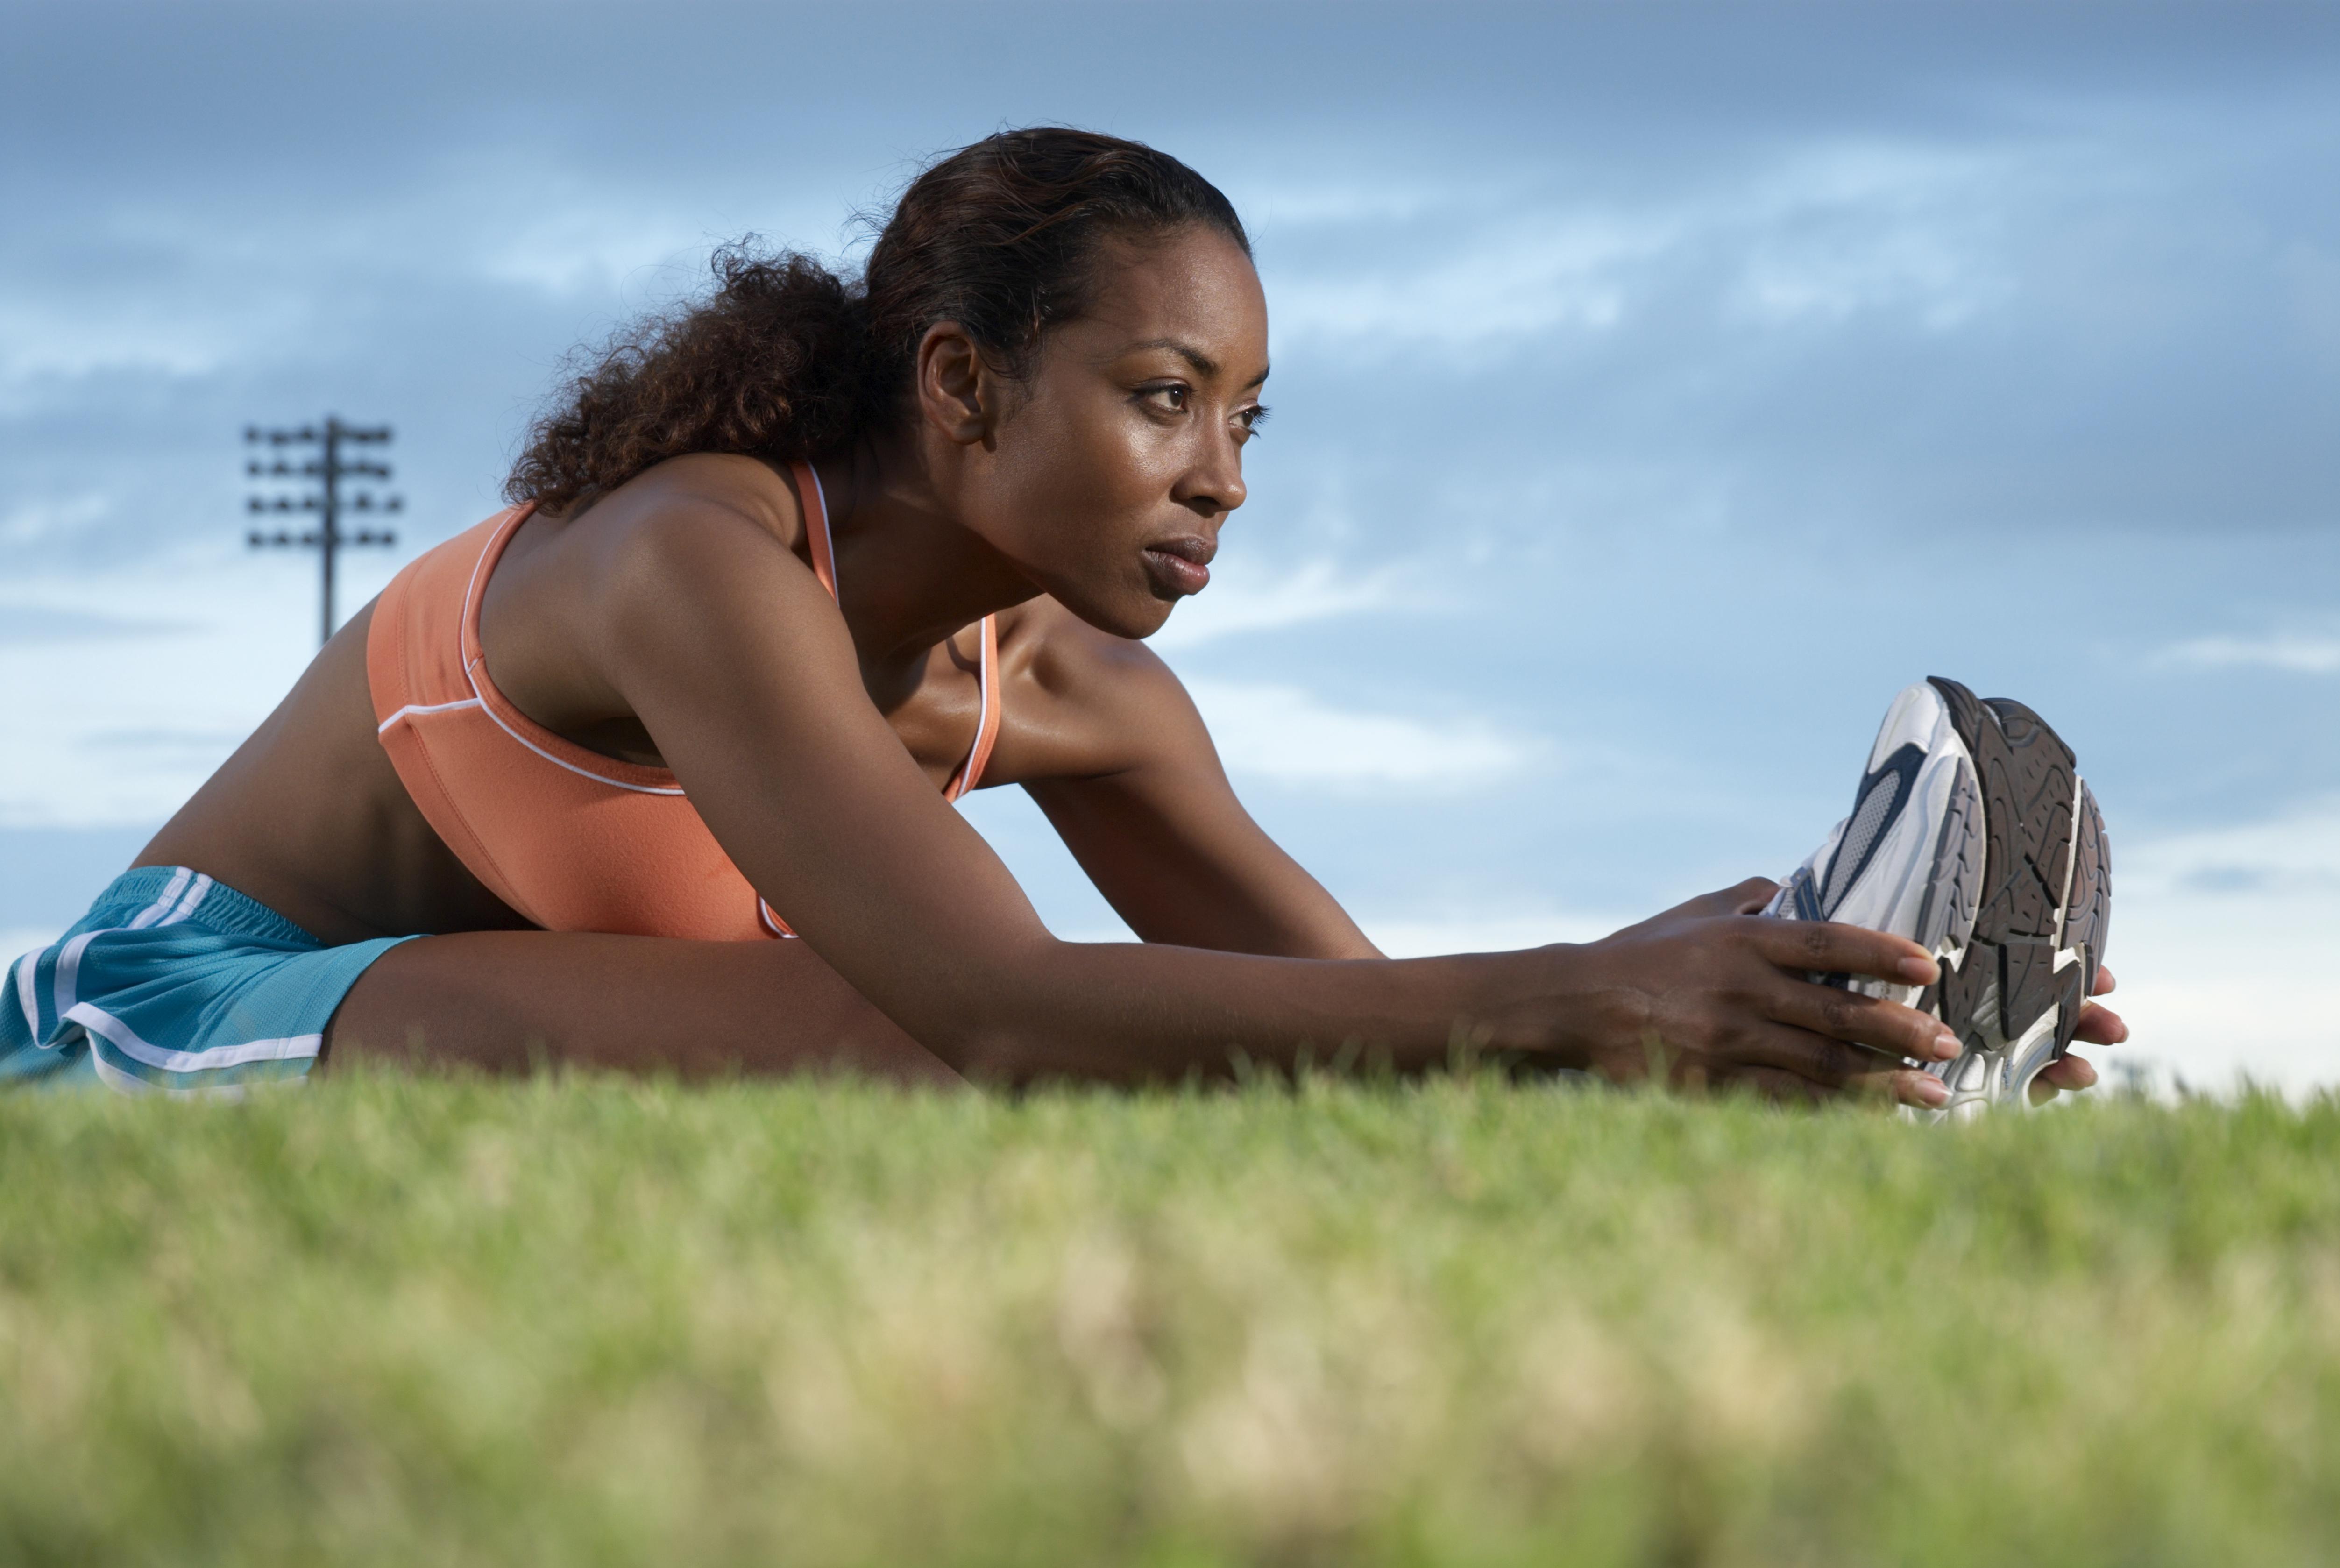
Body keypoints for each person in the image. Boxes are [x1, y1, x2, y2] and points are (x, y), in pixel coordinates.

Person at [2, 128, 2122, 1104]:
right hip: (178, 1005)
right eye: (1160, 399)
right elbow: (1002, 1006)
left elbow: (1367, 1037)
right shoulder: (685, 561)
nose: (1219, 476)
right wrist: (1587, 996)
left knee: (1242, 1065)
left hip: (489, 994)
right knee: (911, 1036)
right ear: (958, 384)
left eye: (1247, 421)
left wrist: (1775, 984)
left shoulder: (1083, 697)